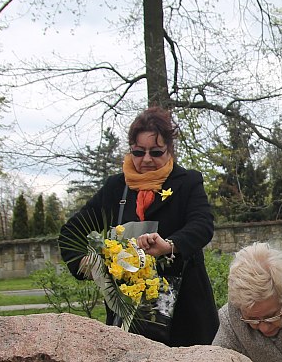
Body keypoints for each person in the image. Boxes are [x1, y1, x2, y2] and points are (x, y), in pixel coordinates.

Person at [60, 106, 219, 346]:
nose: (146, 159)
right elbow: (71, 232)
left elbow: (202, 224)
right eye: (138, 151)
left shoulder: (188, 182)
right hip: (129, 315)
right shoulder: (115, 188)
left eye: (156, 152)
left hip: (186, 313)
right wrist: (90, 265)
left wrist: (169, 246)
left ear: (169, 150)